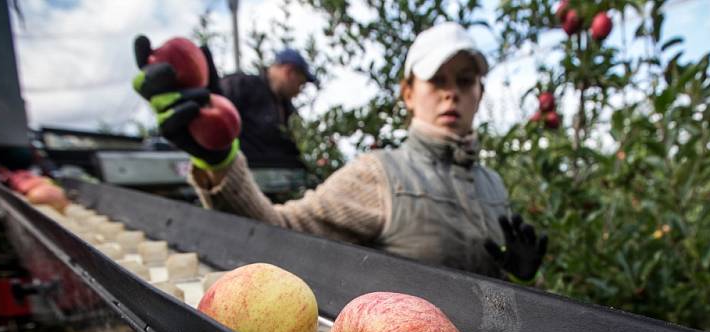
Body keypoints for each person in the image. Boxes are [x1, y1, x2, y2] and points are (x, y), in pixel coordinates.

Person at [133, 23, 547, 281]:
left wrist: (517, 280)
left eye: (465, 79)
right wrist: (218, 157)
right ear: (407, 93)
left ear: (480, 91)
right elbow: (277, 232)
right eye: (436, 79)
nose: (451, 92)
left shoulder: (491, 182)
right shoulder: (379, 175)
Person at [219, 49, 317, 171]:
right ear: (289, 72)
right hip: (236, 174)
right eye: (300, 83)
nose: (298, 91)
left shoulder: (286, 109)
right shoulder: (241, 86)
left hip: (270, 180)